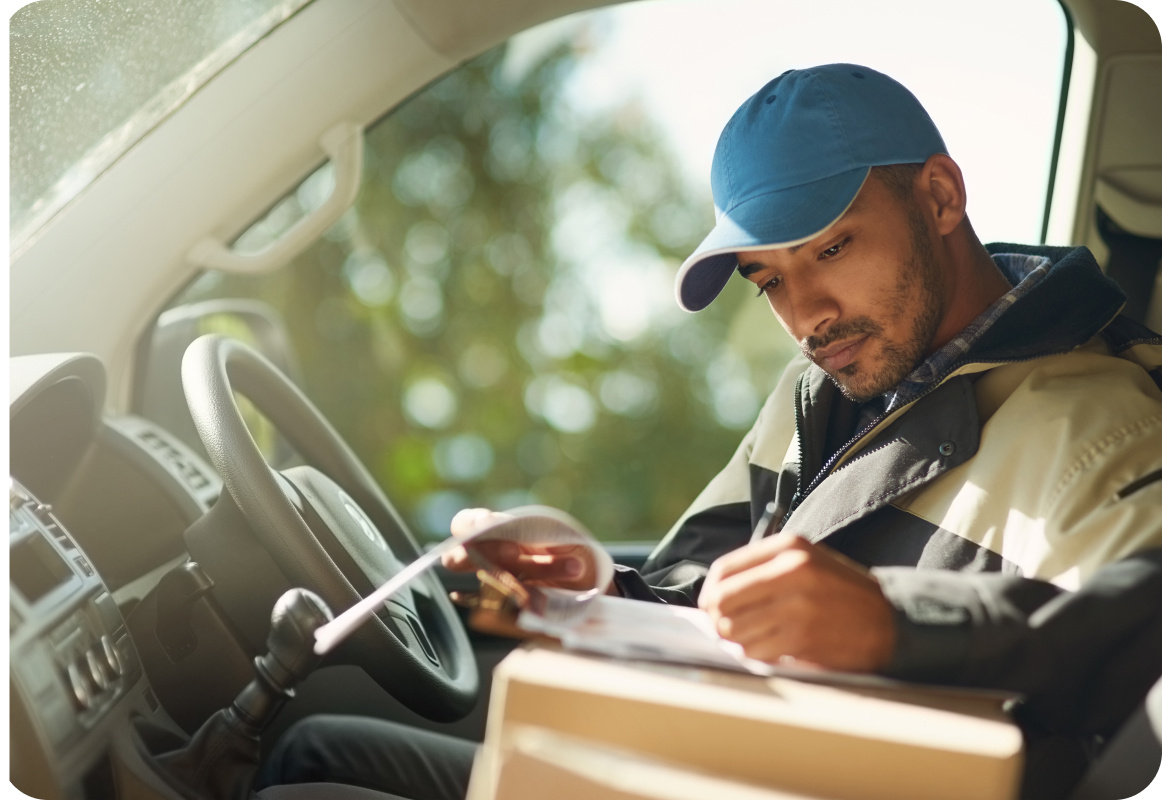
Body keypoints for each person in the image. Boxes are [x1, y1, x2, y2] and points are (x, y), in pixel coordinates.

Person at [259, 63, 1162, 800]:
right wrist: (593, 590)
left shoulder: (1099, 417)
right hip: (716, 756)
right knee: (311, 750)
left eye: (830, 248)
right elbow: (697, 611)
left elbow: (1131, 635)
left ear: (938, 196)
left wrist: (896, 624)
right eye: (767, 280)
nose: (807, 315)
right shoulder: (820, 391)